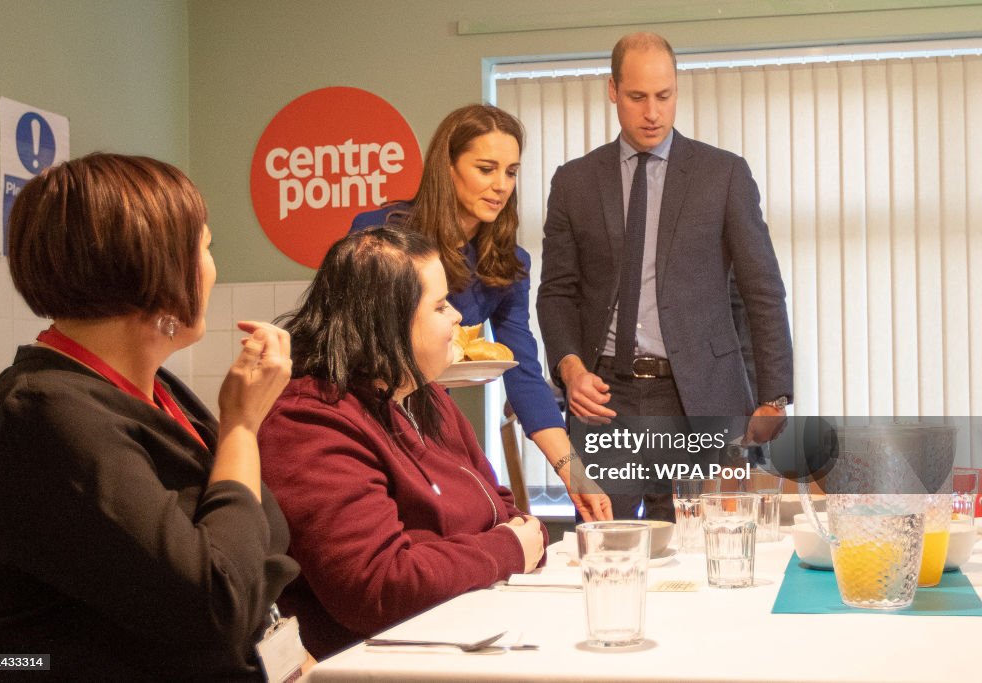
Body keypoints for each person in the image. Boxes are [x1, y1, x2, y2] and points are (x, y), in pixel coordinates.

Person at [0, 154, 305, 681]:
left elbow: (259, 544)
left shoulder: (155, 390)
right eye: (206, 248)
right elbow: (217, 602)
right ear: (158, 266)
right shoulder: (43, 413)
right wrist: (240, 426)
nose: (214, 268)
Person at [537, 32, 794, 520]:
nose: (652, 112)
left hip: (702, 393)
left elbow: (763, 288)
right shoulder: (573, 183)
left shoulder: (724, 174)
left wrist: (774, 396)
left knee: (704, 556)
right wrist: (569, 368)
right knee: (604, 551)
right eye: (637, 97)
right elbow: (557, 293)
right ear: (612, 90)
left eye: (664, 95)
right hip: (606, 399)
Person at [259, 226, 546, 660]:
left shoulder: (423, 396)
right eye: (440, 305)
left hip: (472, 638)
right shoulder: (308, 421)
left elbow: (505, 513)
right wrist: (506, 550)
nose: (458, 318)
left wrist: (507, 543)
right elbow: (379, 587)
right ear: (386, 321)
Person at [351, 104, 612, 522]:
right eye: (486, 169)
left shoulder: (508, 263)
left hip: (430, 415)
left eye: (510, 172)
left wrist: (573, 473)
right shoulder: (380, 234)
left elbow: (522, 370)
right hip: (360, 416)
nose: (501, 186)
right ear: (448, 167)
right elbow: (348, 341)